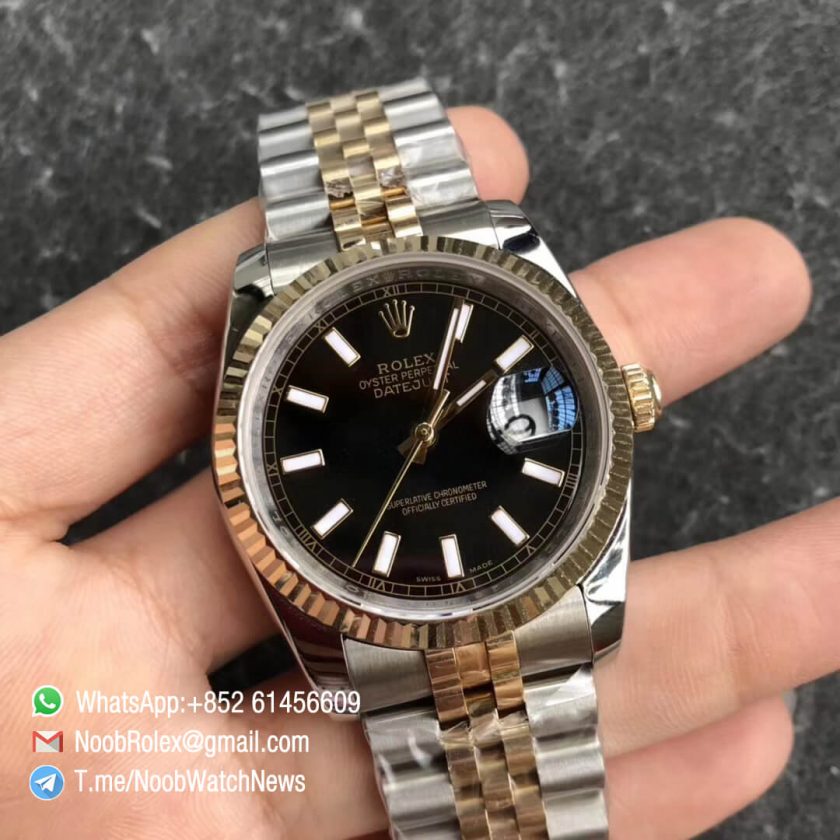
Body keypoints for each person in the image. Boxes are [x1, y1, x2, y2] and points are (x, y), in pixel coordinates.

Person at [0, 107, 831, 839]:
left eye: (429, 426)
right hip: (380, 614)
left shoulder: (515, 312)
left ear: (625, 399)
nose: (426, 435)